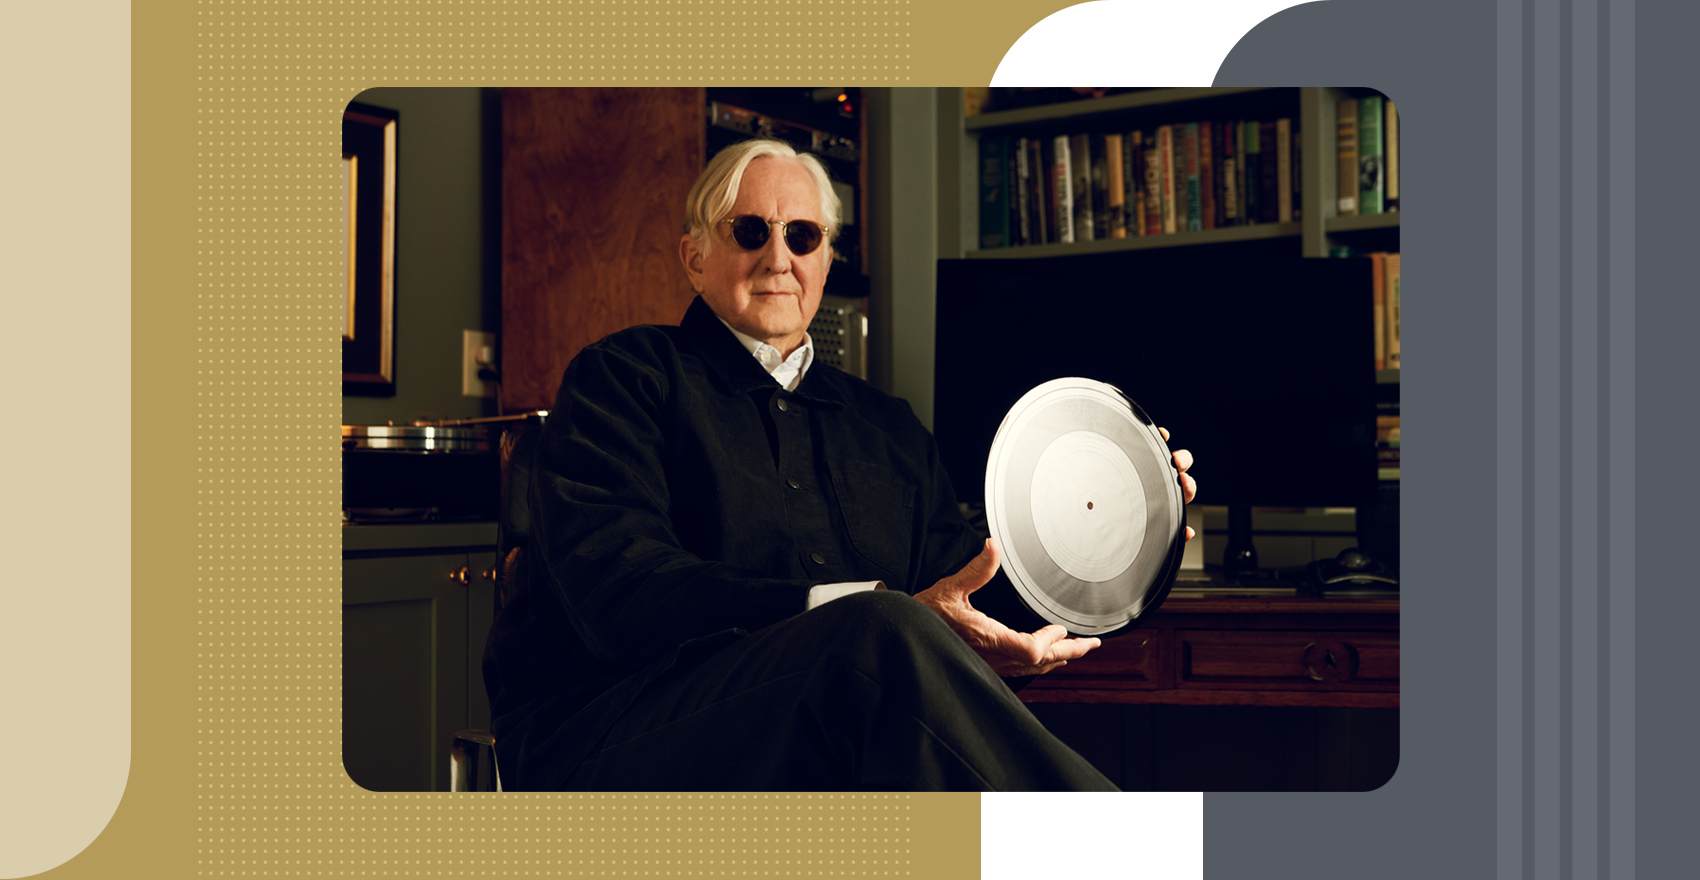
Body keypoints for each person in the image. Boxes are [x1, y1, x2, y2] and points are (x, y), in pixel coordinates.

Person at [483, 138, 1197, 791]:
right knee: (877, 631)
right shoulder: (623, 378)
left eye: (802, 236)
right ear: (695, 256)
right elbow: (620, 593)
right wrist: (853, 607)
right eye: (749, 231)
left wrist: (1125, 525)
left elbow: (965, 603)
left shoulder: (888, 428)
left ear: (827, 259)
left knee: (884, 647)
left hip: (826, 732)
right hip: (615, 732)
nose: (778, 258)